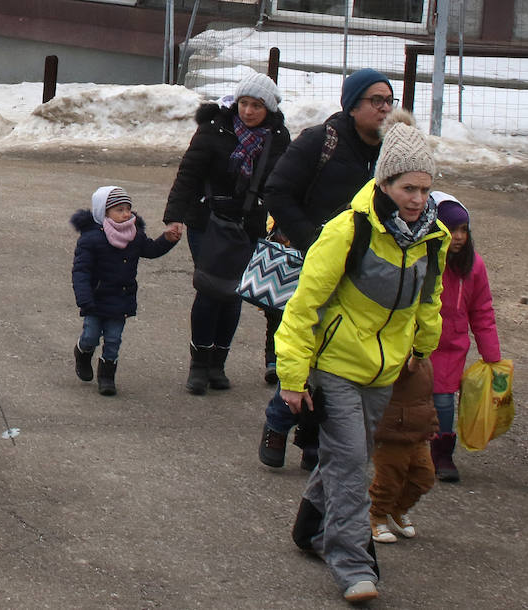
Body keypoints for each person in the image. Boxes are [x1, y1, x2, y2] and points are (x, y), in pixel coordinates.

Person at [280, 110, 446, 605]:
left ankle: (310, 527)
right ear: (384, 182)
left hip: (386, 371)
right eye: (407, 189)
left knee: (346, 457)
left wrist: (421, 349)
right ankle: (353, 565)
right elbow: (303, 305)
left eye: (424, 188)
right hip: (336, 369)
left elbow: (428, 300)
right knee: (352, 464)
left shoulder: (432, 238)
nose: (418, 200)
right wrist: (292, 375)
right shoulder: (347, 231)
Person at [259, 68, 392, 469]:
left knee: (335, 356)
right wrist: (314, 241)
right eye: (376, 101)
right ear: (352, 106)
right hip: (314, 266)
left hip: (362, 274)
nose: (385, 109)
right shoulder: (322, 140)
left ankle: (312, 439)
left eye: (389, 101)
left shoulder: (391, 152)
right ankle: (279, 421)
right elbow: (277, 191)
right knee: (310, 350)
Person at [164, 72, 290, 394]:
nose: (248, 111)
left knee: (234, 292)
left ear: (269, 108)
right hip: (207, 220)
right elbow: (188, 174)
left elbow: (284, 185)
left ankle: (218, 364)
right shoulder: (213, 130)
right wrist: (175, 217)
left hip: (247, 223)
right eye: (244, 103)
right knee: (209, 289)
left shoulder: (277, 138)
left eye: (256, 105)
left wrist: (287, 225)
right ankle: (199, 365)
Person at [71, 186, 180, 396]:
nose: (126, 214)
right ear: (104, 212)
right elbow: (81, 271)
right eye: (119, 209)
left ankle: (106, 377)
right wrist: (84, 298)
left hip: (121, 298)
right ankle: (82, 352)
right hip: (96, 299)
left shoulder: (134, 235)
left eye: (128, 208)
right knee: (90, 337)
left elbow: (151, 250)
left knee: (113, 340)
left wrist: (167, 239)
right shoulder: (91, 239)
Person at [426, 192, 500, 483]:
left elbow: (482, 312)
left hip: (451, 349)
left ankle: (442, 453)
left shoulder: (474, 266)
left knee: (444, 402)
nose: (458, 237)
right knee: (404, 398)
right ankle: (397, 446)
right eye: (452, 229)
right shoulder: (425, 259)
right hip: (416, 344)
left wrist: (491, 356)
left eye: (463, 230)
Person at [367, 352, 437, 545]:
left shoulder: (425, 361)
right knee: (388, 479)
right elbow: (398, 374)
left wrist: (432, 423)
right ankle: (377, 515)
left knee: (424, 476)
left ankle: (398, 508)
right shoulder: (395, 353)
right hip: (391, 432)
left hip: (417, 432)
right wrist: (410, 358)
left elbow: (427, 398)